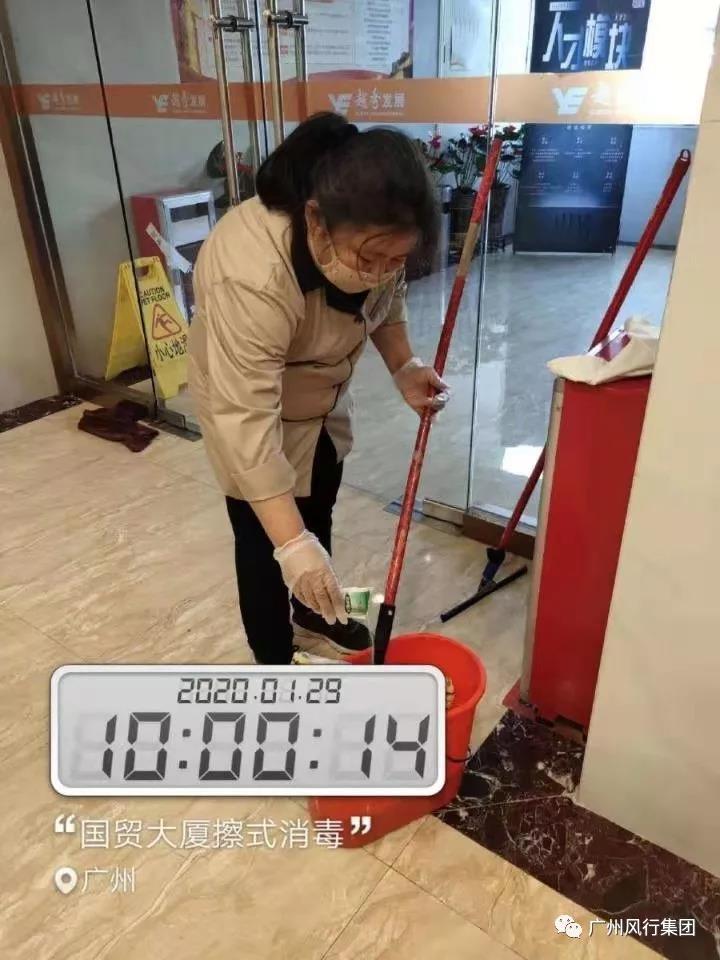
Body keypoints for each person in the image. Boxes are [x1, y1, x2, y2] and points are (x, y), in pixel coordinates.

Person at [189, 112, 448, 665]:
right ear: (316, 220)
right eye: (370, 258)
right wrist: (291, 544)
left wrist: (404, 365)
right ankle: (273, 662)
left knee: (319, 505)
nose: (381, 271)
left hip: (321, 400)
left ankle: (313, 616)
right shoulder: (251, 272)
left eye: (396, 259)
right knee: (266, 544)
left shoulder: (375, 238)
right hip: (247, 411)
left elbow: (386, 300)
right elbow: (245, 418)